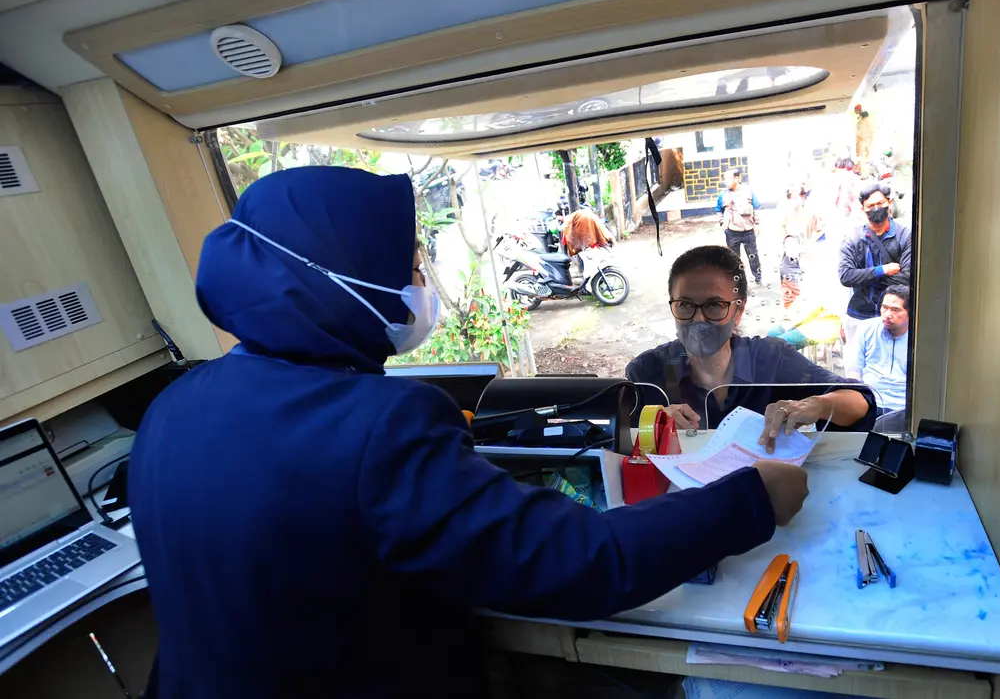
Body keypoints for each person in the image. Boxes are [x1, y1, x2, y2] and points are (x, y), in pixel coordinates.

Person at [128, 168, 810, 699]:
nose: (422, 284)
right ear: (349, 281)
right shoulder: (380, 423)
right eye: (411, 269)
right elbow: (581, 561)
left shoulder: (173, 405)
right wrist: (749, 496)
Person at [626, 245, 875, 446]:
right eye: (685, 305)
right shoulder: (647, 373)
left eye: (714, 305)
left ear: (739, 310)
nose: (698, 319)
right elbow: (615, 447)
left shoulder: (770, 359)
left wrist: (816, 405)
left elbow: (859, 401)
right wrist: (652, 424)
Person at [838, 183, 912, 341]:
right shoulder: (853, 239)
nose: (876, 208)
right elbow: (846, 276)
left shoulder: (905, 236)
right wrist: (882, 270)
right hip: (859, 314)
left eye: (880, 203)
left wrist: (863, 277)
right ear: (862, 209)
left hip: (896, 316)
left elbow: (906, 278)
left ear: (889, 203)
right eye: (870, 205)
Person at [848, 285, 911, 417]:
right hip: (869, 403)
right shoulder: (866, 328)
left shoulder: (919, 338)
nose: (888, 315)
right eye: (885, 308)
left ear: (910, 313)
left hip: (903, 408)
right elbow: (854, 372)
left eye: (895, 310)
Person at [716, 168, 764, 286]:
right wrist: (722, 223)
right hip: (732, 232)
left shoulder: (748, 191)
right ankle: (739, 282)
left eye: (728, 179)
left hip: (748, 231)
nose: (725, 181)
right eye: (724, 179)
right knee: (734, 259)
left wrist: (757, 224)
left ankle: (758, 278)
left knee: (753, 256)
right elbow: (718, 210)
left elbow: (756, 208)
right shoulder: (723, 194)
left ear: (737, 178)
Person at [779, 234, 804, 309]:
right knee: (793, 294)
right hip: (790, 274)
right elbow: (792, 254)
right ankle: (788, 312)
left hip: (787, 272)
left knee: (789, 294)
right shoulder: (791, 241)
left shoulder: (791, 239)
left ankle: (788, 312)